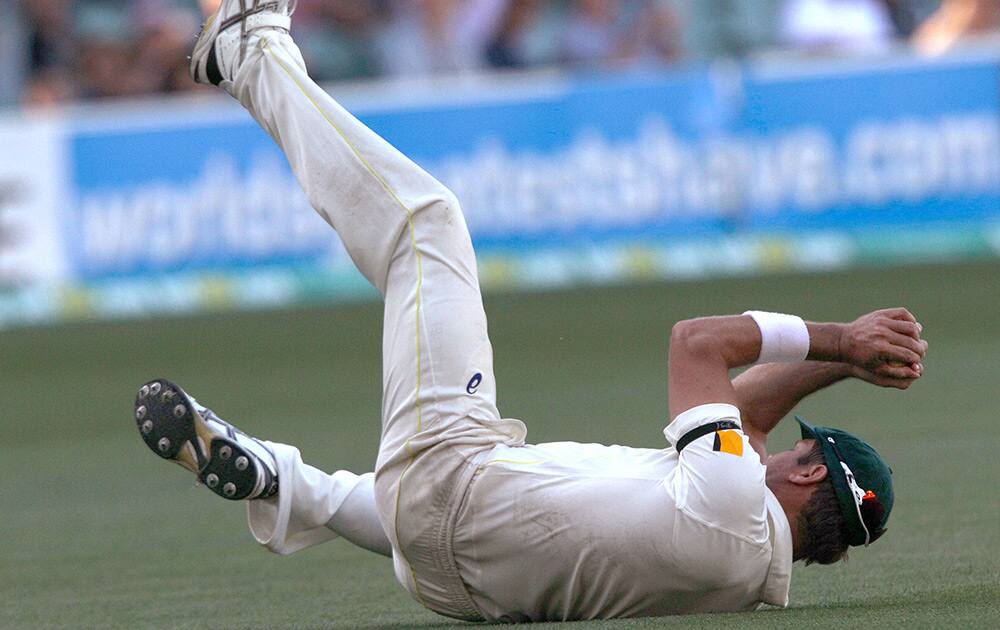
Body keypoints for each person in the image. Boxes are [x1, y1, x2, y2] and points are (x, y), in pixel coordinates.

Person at [135, 1, 928, 621]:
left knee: (426, 225)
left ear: (810, 469)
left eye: (797, 452)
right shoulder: (745, 572)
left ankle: (248, 51)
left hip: (453, 485)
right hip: (450, 583)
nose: (772, 450)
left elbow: (698, 346)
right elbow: (745, 415)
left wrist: (841, 339)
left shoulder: (729, 502)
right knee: (423, 498)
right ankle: (282, 482)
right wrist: (839, 361)